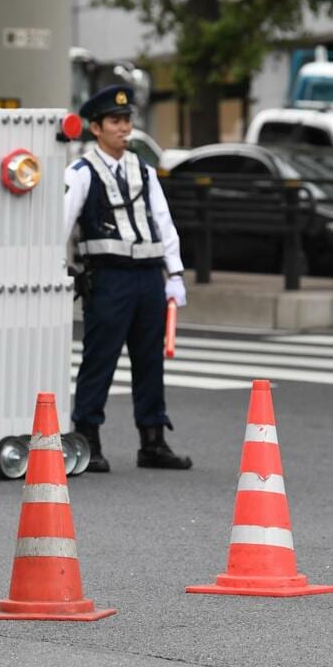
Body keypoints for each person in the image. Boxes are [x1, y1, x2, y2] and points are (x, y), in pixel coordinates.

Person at [63, 85, 191, 473]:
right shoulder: (81, 173)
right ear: (96, 128)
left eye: (127, 121)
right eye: (115, 121)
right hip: (109, 278)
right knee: (99, 359)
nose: (124, 128)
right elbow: (60, 226)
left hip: (148, 277)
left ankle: (153, 440)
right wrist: (60, 273)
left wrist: (175, 274)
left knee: (150, 360)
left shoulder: (144, 170)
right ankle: (87, 438)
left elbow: (164, 224)